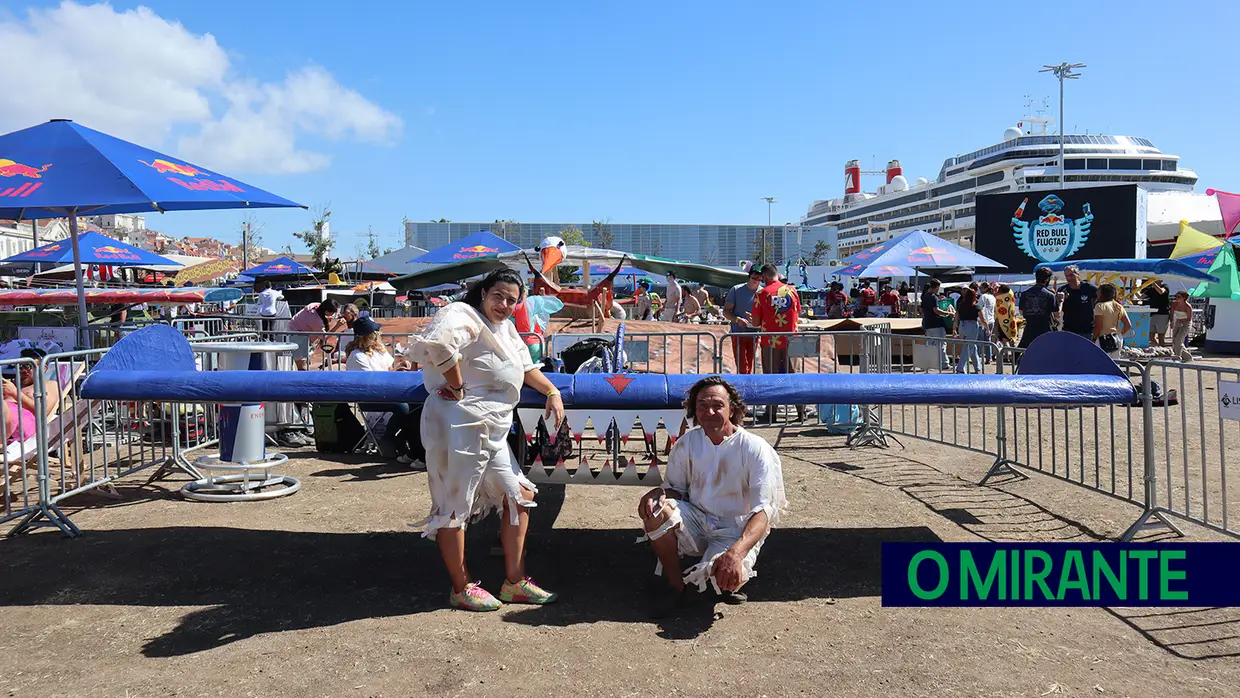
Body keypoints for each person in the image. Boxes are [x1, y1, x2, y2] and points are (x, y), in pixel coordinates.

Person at [406, 268, 565, 612]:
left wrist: (551, 390)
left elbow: (525, 368)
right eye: (498, 296)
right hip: (458, 425)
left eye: (512, 299)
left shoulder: (506, 328)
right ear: (483, 294)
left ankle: (514, 582)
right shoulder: (461, 314)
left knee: (518, 495)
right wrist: (458, 384)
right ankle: (460, 587)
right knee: (454, 506)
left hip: (493, 430)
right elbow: (439, 344)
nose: (505, 304)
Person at [636, 376, 787, 617]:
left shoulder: (755, 448)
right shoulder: (686, 443)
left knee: (724, 576)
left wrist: (735, 554)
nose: (710, 411)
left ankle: (726, 578)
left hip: (735, 529)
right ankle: (676, 586)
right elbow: (676, 489)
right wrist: (659, 493)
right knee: (657, 511)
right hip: (697, 517)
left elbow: (764, 512)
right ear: (694, 410)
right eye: (702, 405)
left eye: (717, 404)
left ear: (732, 409)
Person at [344, 316, 422, 467]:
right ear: (368, 335)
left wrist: (400, 368)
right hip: (369, 397)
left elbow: (388, 371)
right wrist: (395, 372)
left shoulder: (379, 351)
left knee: (415, 406)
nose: (378, 335)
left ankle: (412, 447)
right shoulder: (356, 356)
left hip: (387, 392)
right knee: (404, 407)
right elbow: (372, 381)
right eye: (375, 332)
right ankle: (390, 437)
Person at [750, 264, 806, 422]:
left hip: (771, 340)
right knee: (794, 376)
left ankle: (771, 413)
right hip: (792, 339)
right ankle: (802, 413)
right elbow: (797, 312)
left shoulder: (762, 293)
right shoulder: (792, 290)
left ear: (765, 277)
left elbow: (755, 322)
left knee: (771, 377)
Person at [723, 265, 762, 374]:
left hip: (755, 333)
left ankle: (747, 383)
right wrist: (737, 319)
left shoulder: (763, 292)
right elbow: (726, 311)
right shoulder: (736, 290)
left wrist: (758, 319)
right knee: (741, 365)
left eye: (759, 278)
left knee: (750, 362)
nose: (756, 281)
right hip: (738, 333)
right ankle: (742, 383)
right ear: (749, 276)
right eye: (754, 277)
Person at [286, 298, 345, 371]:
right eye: (333, 313)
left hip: (298, 334)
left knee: (306, 364)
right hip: (297, 337)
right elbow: (324, 337)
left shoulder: (315, 305)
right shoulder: (315, 319)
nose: (333, 315)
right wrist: (337, 326)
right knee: (302, 367)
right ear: (326, 311)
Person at [1018, 268, 1058, 349]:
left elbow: (1021, 312)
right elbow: (1057, 314)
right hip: (1045, 329)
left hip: (1029, 328)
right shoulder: (1050, 295)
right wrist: (1060, 302)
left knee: (1021, 351)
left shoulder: (1025, 294)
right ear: (1047, 279)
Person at [920, 279, 954, 370]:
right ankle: (944, 363)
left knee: (931, 345)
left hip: (928, 324)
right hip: (937, 324)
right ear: (937, 287)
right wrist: (947, 313)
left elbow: (921, 310)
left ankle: (931, 363)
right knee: (942, 344)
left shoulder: (925, 297)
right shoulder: (933, 297)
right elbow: (936, 310)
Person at [1092, 282, 1132, 360]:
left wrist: (1093, 338)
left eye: (1098, 290)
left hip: (1103, 339)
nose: (1096, 292)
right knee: (1115, 364)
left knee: (1100, 364)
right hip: (1117, 338)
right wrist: (1120, 334)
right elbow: (1128, 325)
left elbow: (1098, 326)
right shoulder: (1119, 306)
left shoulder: (1100, 306)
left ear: (1102, 293)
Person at [1057, 265, 1098, 339]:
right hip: (1069, 330)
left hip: (1087, 331)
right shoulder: (1062, 290)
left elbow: (1102, 300)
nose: (1069, 278)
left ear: (1077, 274)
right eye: (1067, 276)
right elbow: (1057, 310)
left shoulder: (1089, 288)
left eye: (1071, 275)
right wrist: (1061, 300)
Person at [955, 285, 984, 374]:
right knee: (969, 347)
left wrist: (954, 329)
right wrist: (987, 328)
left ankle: (978, 367)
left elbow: (956, 318)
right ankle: (960, 368)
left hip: (962, 326)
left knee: (972, 346)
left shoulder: (960, 305)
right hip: (972, 326)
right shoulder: (976, 307)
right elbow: (982, 319)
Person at [1143, 279, 1170, 347]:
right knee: (1150, 336)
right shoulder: (1151, 289)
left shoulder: (1165, 286)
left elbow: (1161, 291)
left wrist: (1153, 283)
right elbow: (1141, 296)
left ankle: (1162, 350)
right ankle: (1159, 349)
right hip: (1153, 314)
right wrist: (1135, 289)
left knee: (1161, 336)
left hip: (1162, 314)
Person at [1170, 290, 1194, 362]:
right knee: (1175, 340)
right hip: (1177, 321)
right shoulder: (1174, 304)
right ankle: (1187, 357)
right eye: (1176, 296)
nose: (1176, 298)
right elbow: (1171, 314)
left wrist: (1181, 323)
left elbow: (1189, 318)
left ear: (1184, 298)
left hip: (1186, 323)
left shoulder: (1188, 306)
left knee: (1179, 339)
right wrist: (1172, 322)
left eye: (1179, 297)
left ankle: (1178, 356)